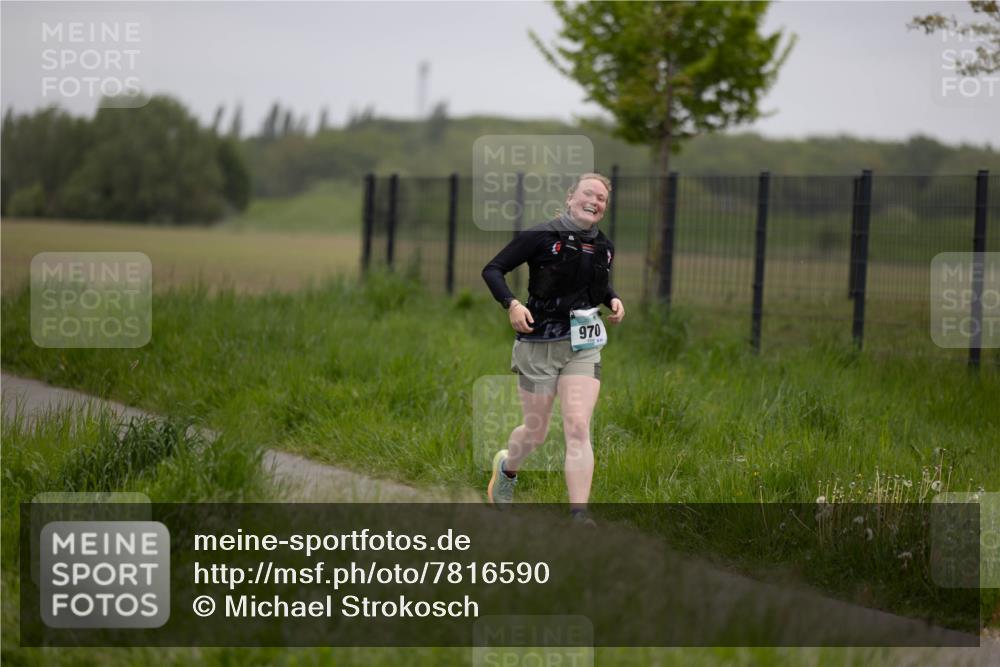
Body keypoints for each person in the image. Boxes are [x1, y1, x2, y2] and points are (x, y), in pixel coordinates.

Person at [481, 172, 625, 523]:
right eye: (588, 194)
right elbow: (493, 270)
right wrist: (512, 305)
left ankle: (579, 516)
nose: (595, 201)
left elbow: (595, 284)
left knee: (578, 427)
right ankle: (507, 469)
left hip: (583, 346)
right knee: (536, 431)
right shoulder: (541, 235)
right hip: (538, 343)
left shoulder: (604, 245)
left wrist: (614, 298)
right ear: (570, 197)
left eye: (601, 198)